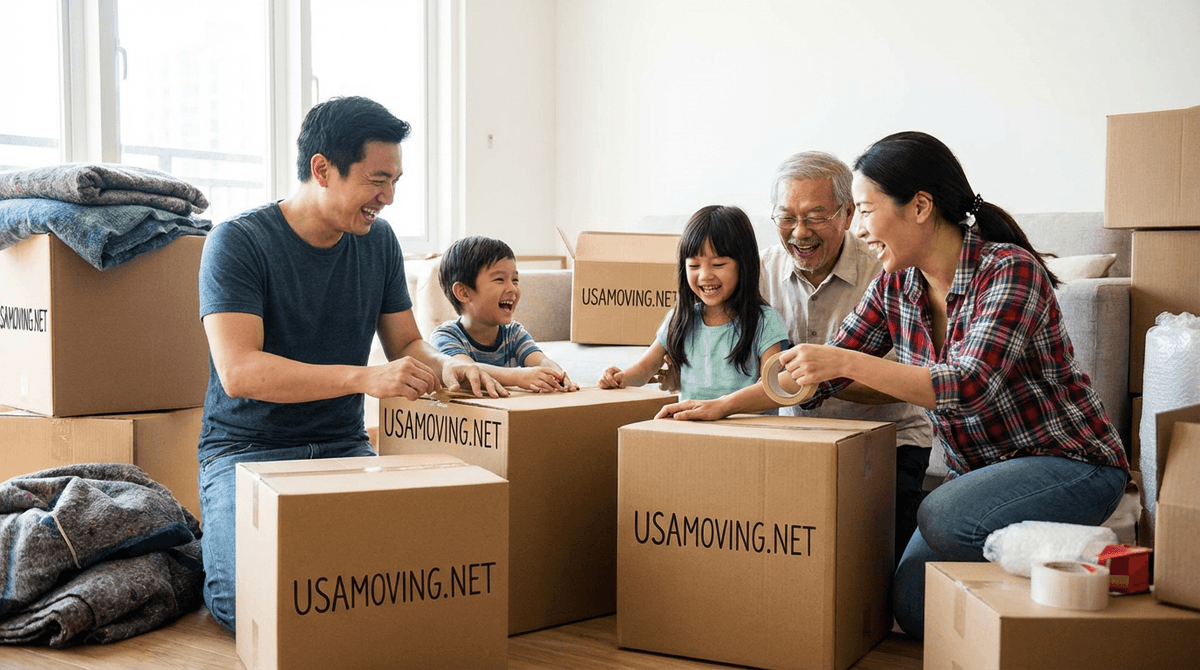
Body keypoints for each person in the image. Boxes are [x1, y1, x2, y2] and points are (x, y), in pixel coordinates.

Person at [778, 131, 1129, 638]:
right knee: (916, 609)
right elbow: (819, 379)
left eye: (864, 210)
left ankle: (1072, 555)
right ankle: (1024, 555)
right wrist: (726, 402)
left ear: (920, 206)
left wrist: (839, 360)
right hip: (979, 478)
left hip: (1071, 464)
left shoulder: (1009, 270)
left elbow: (967, 387)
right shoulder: (896, 283)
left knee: (940, 512)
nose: (856, 230)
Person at [196, 96, 503, 632]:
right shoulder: (238, 242)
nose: (387, 198)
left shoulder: (377, 242)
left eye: (396, 182)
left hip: (343, 446)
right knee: (247, 601)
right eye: (377, 180)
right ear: (323, 169)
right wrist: (365, 378)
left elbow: (406, 342)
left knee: (404, 583)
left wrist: (448, 365)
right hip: (247, 450)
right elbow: (239, 371)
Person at [654, 152, 933, 567]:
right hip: (790, 441)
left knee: (876, 578)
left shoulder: (888, 271)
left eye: (815, 217)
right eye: (786, 217)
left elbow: (910, 381)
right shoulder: (756, 271)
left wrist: (813, 379)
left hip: (886, 442)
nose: (799, 233)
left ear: (848, 213)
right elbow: (703, 321)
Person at [598, 205, 789, 406]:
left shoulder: (766, 322)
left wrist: (722, 408)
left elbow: (772, 387)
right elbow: (645, 368)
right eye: (694, 266)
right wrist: (620, 378)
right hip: (691, 426)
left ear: (744, 265)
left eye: (718, 265)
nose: (705, 275)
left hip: (745, 428)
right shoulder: (680, 319)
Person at [432, 235, 579, 392]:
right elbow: (467, 370)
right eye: (500, 279)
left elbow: (540, 361)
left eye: (515, 280)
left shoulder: (513, 333)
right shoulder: (446, 336)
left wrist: (557, 375)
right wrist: (519, 376)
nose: (513, 288)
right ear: (464, 293)